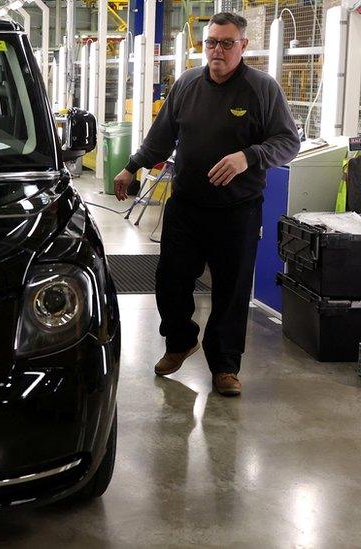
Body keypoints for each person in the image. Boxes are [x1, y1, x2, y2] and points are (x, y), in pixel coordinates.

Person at [113, 12, 300, 396]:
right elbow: (161, 136)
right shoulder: (186, 84)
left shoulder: (262, 89)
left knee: (230, 293)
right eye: (211, 42)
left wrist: (248, 156)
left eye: (226, 43)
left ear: (243, 46)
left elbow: (287, 142)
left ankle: (225, 366)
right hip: (187, 206)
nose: (217, 50)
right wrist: (131, 168)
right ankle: (180, 341)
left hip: (237, 210)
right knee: (170, 281)